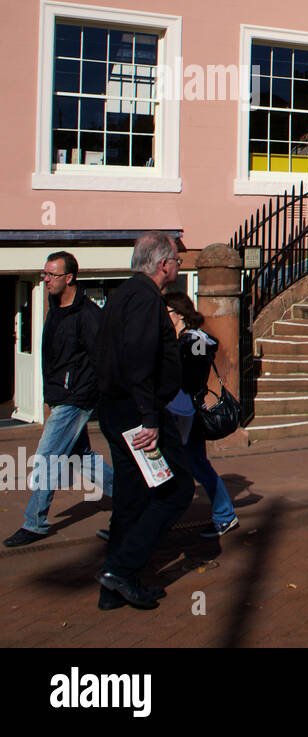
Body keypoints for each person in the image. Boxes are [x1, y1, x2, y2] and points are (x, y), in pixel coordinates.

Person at [93, 232, 195, 611]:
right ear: (164, 264)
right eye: (177, 262)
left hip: (121, 409)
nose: (179, 267)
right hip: (138, 415)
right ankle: (120, 570)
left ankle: (114, 588)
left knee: (131, 497)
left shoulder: (123, 295)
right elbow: (137, 361)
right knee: (177, 490)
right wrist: (150, 418)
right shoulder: (143, 298)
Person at [3, 252, 115, 547]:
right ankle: (134, 497)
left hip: (76, 398)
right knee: (81, 458)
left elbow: (102, 359)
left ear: (69, 278)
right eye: (44, 273)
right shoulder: (55, 305)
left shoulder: (89, 315)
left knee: (47, 458)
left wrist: (83, 394)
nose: (46, 279)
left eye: (51, 275)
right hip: (59, 395)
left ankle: (34, 522)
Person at [163, 291, 238, 539]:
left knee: (196, 464)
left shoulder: (194, 339)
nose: (164, 317)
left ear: (180, 314)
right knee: (176, 465)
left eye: (167, 312)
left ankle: (225, 515)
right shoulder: (180, 339)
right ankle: (160, 516)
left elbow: (193, 376)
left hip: (187, 413)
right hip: (176, 411)